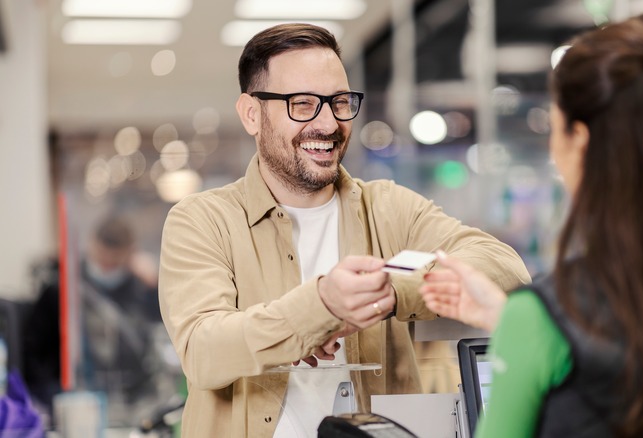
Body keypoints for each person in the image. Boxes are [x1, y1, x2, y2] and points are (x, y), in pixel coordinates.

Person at [157, 22, 530, 438]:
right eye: (302, 104)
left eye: (338, 101)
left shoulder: (388, 207)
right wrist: (320, 308)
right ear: (251, 114)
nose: (329, 123)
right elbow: (203, 350)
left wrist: (394, 292)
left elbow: (504, 267)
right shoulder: (203, 220)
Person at [420, 14, 643, 438]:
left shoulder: (543, 318)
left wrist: (528, 330)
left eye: (555, 128)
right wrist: (515, 325)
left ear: (581, 141)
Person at [23, 215, 164, 426]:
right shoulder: (62, 290)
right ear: (92, 244)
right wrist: (53, 399)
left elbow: (160, 333)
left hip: (132, 408)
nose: (107, 268)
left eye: (114, 262)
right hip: (74, 405)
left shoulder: (139, 291)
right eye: (103, 260)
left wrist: (155, 286)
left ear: (130, 253)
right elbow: (34, 353)